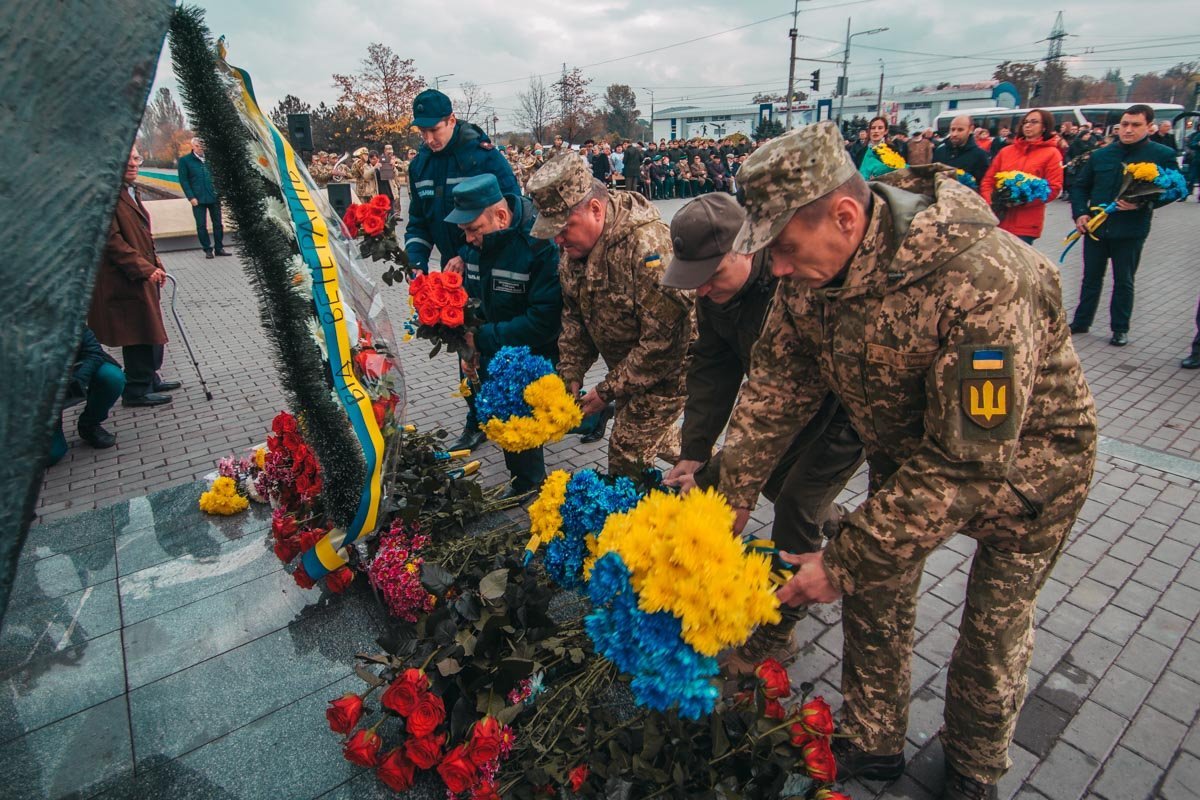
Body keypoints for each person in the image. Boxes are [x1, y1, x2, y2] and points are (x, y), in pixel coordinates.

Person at [715, 121, 1097, 800]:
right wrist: (735, 490)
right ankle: (873, 740)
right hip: (914, 457)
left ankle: (974, 767)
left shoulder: (981, 279)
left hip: (1029, 473)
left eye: (784, 248)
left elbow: (969, 460)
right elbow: (775, 381)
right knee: (875, 594)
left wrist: (840, 560)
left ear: (844, 215)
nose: (773, 267)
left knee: (990, 630)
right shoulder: (811, 274)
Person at [660, 194, 864, 671]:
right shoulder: (717, 298)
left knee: (794, 502)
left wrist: (737, 482)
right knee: (756, 480)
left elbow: (801, 392)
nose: (704, 291)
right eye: (696, 282)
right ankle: (832, 516)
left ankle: (777, 630)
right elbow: (713, 369)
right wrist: (693, 451)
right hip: (778, 409)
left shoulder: (792, 280)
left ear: (745, 250)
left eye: (711, 276)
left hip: (841, 411)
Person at [526, 154, 695, 477]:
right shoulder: (574, 250)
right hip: (630, 370)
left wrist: (605, 392)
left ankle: (642, 523)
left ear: (594, 209)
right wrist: (571, 375)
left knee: (626, 452)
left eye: (564, 228)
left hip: (672, 370)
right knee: (662, 440)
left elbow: (664, 344)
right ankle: (725, 471)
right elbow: (575, 317)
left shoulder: (647, 248)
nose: (558, 240)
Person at [404, 89, 520, 452]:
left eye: (434, 130)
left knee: (498, 339)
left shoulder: (483, 157)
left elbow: (509, 214)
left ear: (452, 120)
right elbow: (418, 223)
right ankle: (477, 417)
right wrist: (416, 260)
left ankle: (516, 412)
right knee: (464, 342)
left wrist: (467, 252)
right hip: (452, 274)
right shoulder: (419, 165)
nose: (427, 139)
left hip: (492, 265)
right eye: (421, 132)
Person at [446, 174, 563, 498]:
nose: (468, 240)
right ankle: (521, 475)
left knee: (521, 414)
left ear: (500, 216)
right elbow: (471, 296)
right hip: (490, 341)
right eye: (464, 232)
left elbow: (544, 321)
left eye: (474, 229)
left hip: (531, 351)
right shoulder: (475, 244)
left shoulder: (539, 244)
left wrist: (482, 338)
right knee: (499, 410)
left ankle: (528, 484)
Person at [1069, 104, 1179, 346]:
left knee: (1124, 280)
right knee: (1090, 278)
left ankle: (1120, 328)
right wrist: (1080, 214)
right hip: (1096, 228)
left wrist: (1144, 204)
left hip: (1130, 229)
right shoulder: (1101, 154)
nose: (1128, 130)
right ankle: (1081, 321)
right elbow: (1079, 186)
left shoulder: (1161, 155)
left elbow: (1174, 189)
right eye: (1125, 125)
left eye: (1135, 125)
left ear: (1149, 127)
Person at [89, 145, 180, 407]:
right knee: (138, 331)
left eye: (136, 158)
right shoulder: (106, 196)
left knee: (149, 327)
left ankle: (151, 377)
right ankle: (136, 389)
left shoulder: (130, 192)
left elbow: (142, 235)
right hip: (124, 280)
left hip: (142, 274)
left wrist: (156, 263)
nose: (133, 164)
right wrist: (144, 268)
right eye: (126, 159)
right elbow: (112, 243)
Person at [979, 109, 1064, 244]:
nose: (1028, 125)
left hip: (1025, 225)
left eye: (1034, 122)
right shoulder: (1006, 152)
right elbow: (988, 180)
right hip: (998, 219)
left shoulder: (1052, 154)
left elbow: (1054, 188)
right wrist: (992, 201)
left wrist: (1022, 199)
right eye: (1025, 122)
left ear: (1044, 127)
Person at [50, 326, 126, 464]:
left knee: (112, 377)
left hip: (73, 372)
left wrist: (77, 381)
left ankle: (89, 424)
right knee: (53, 454)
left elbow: (93, 352)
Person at [177, 138, 230, 259]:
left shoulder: (211, 159)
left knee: (218, 224)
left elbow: (220, 176)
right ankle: (207, 249)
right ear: (193, 146)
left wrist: (220, 192)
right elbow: (184, 180)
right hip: (198, 199)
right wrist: (191, 197)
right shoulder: (185, 161)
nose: (200, 148)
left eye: (202, 146)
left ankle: (219, 248)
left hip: (214, 197)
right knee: (201, 225)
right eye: (197, 146)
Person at [933, 115, 990, 186]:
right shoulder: (940, 151)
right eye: (952, 129)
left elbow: (983, 184)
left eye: (960, 130)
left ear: (971, 130)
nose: (954, 134)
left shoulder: (980, 155)